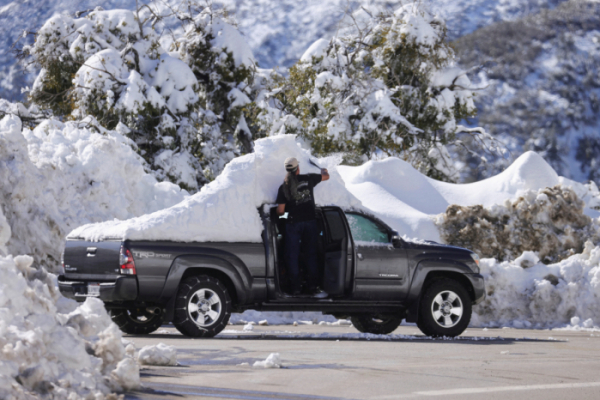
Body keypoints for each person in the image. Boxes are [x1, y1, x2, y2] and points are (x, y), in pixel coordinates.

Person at [276, 157, 330, 298]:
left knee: (292, 255)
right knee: (311, 254)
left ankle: (295, 288)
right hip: (310, 222)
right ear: (298, 169)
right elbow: (326, 177)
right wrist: (323, 170)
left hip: (293, 224)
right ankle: (312, 286)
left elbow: (280, 211)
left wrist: (284, 218)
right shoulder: (308, 179)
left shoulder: (284, 187)